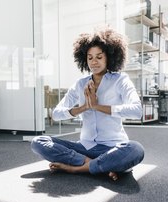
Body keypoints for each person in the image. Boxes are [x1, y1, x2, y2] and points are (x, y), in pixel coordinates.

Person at [31, 27, 145, 181]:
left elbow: (137, 111)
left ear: (109, 58)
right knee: (38, 142)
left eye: (99, 57)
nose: (94, 62)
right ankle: (95, 165)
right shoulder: (80, 84)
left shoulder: (120, 80)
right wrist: (84, 107)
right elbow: (56, 114)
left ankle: (76, 168)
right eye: (90, 58)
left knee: (135, 149)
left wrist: (98, 106)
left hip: (113, 147)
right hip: (84, 148)